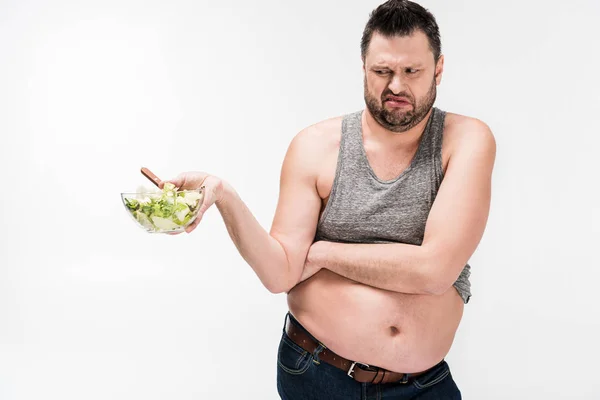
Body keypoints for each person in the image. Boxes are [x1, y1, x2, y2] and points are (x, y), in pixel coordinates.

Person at [161, 0, 496, 398]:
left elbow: (434, 271)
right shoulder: (315, 147)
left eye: (412, 71)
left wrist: (320, 254)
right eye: (382, 71)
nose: (396, 86)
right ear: (363, 67)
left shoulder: (466, 141)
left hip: (422, 386)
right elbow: (279, 274)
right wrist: (222, 194)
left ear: (438, 68)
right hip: (318, 373)